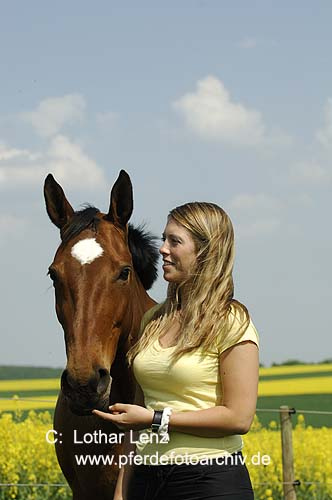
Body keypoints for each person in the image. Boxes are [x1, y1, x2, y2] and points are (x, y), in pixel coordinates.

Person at [93, 202, 259, 500]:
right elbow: (137, 412)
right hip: (147, 477)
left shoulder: (232, 321)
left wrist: (156, 419)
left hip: (209, 479)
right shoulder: (153, 320)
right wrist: (121, 492)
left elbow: (238, 418)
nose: (162, 250)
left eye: (175, 241)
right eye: (163, 239)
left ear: (205, 252)